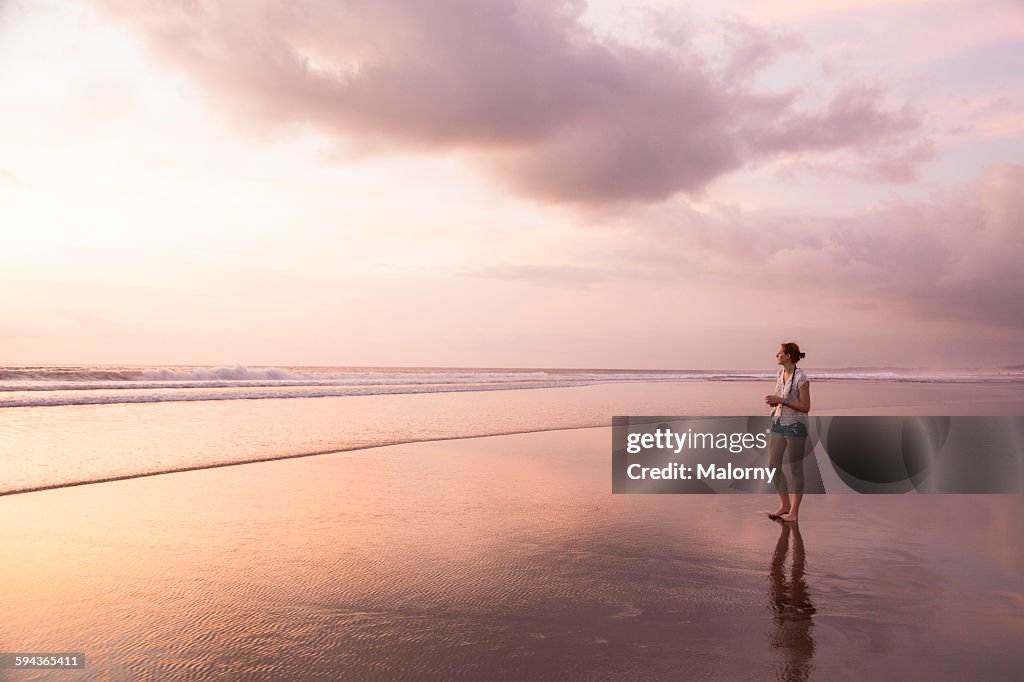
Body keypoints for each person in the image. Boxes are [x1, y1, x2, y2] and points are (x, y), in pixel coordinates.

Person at [764, 342, 811, 522]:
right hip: (778, 422)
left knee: (795, 468)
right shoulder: (779, 374)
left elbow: (806, 407)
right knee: (772, 466)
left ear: (789, 356)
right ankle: (784, 505)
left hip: (795, 425)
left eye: (780, 353)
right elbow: (782, 399)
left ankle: (794, 512)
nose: (777, 355)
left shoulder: (801, 378)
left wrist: (782, 401)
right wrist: (774, 402)